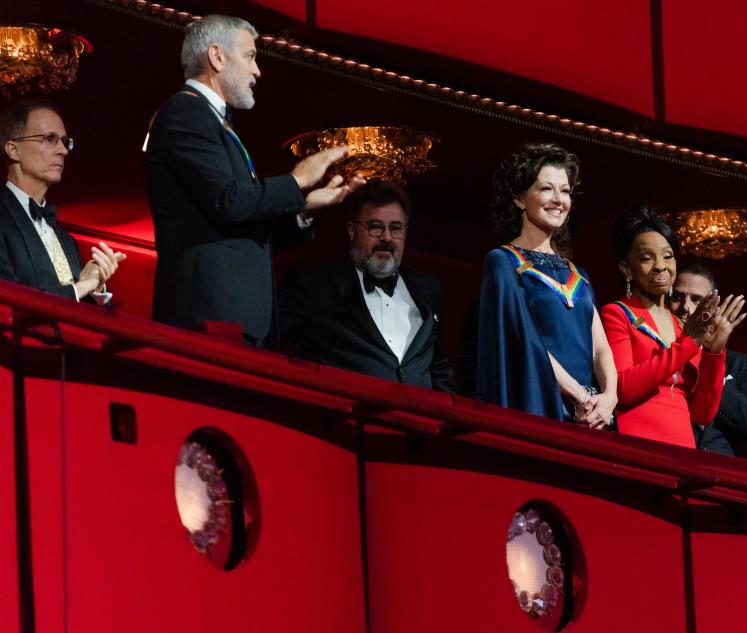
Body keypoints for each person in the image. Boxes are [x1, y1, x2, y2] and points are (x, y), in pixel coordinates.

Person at [145, 14, 362, 345]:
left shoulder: (215, 121)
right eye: (250, 57)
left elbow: (242, 222)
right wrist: (296, 180)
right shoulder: (186, 113)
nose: (257, 70)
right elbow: (229, 202)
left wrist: (303, 208)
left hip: (237, 322)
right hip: (207, 318)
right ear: (217, 56)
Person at [477, 143, 616, 427]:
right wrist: (579, 396)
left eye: (564, 191)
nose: (558, 200)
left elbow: (600, 349)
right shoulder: (504, 262)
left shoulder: (579, 274)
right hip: (542, 406)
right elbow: (525, 342)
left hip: (592, 417)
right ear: (519, 198)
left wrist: (609, 396)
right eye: (546, 189)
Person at [279, 182, 454, 392]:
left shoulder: (429, 288)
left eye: (396, 228)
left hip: (420, 422)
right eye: (375, 227)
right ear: (352, 230)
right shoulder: (314, 284)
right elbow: (274, 345)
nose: (387, 238)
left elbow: (438, 367)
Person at [600, 206, 745, 446]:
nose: (660, 266)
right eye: (647, 258)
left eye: (668, 256)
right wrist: (688, 345)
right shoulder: (617, 314)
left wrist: (713, 353)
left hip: (682, 448)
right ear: (626, 269)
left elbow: (702, 413)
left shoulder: (682, 326)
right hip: (637, 442)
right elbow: (623, 388)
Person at [0, 99, 125, 302]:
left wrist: (97, 287)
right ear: (14, 150)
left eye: (65, 141)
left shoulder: (68, 242)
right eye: (50, 139)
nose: (63, 150)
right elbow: (8, 303)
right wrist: (82, 285)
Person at [668, 260, 747, 455]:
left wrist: (711, 363)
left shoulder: (740, 364)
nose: (686, 307)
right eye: (677, 297)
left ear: (714, 308)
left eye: (697, 300)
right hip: (671, 456)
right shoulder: (662, 353)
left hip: (719, 469)